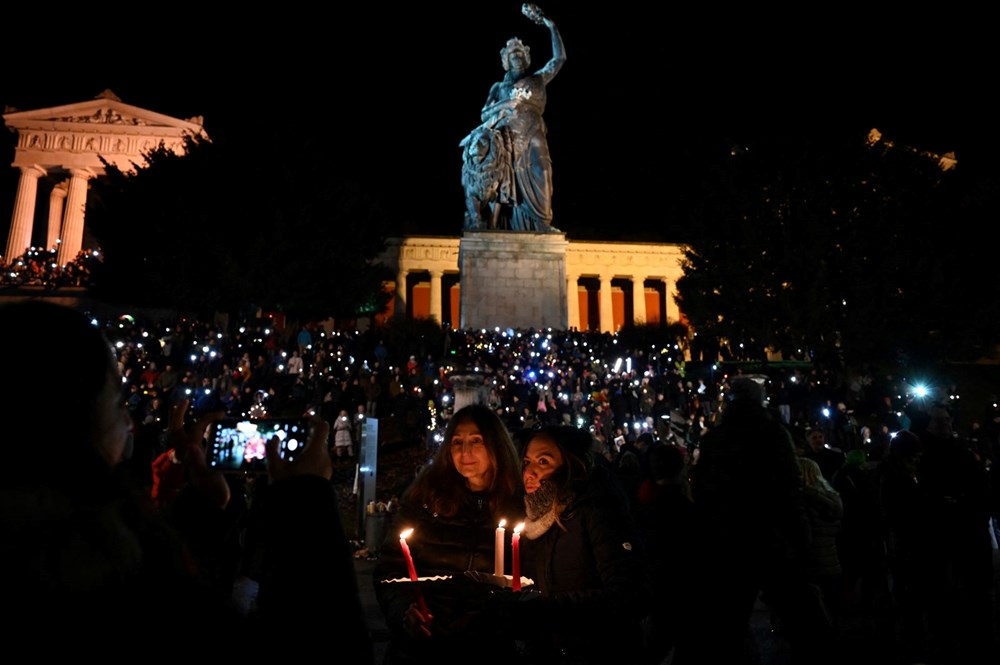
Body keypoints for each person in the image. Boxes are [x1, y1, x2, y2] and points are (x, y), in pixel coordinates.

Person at [0, 301, 371, 660]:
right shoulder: (94, 567)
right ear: (73, 419)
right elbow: (323, 646)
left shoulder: (64, 539)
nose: (129, 422)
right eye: (117, 403)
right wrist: (306, 504)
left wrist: (207, 508)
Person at [686, 376, 832, 664]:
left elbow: (703, 490)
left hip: (730, 539)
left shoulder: (715, 439)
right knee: (802, 619)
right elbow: (790, 488)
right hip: (771, 535)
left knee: (729, 624)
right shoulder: (774, 433)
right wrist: (800, 534)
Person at [371, 403, 525, 664]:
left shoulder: (520, 506)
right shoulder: (425, 500)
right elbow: (390, 569)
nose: (465, 451)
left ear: (496, 446)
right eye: (457, 442)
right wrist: (404, 612)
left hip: (486, 651)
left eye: (476, 441)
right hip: (421, 650)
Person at [509, 425, 653, 664]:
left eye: (543, 461)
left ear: (571, 464)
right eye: (527, 462)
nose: (530, 472)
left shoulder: (595, 510)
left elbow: (631, 593)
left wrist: (548, 610)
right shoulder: (531, 521)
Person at [460, 3, 566, 232]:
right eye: (512, 54)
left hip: (534, 132)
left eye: (520, 53)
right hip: (507, 140)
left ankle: (541, 222)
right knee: (506, 187)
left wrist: (550, 25)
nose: (517, 56)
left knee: (544, 171)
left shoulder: (538, 78)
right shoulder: (499, 87)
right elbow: (484, 113)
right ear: (506, 60)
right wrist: (505, 104)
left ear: (526, 57)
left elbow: (559, 59)